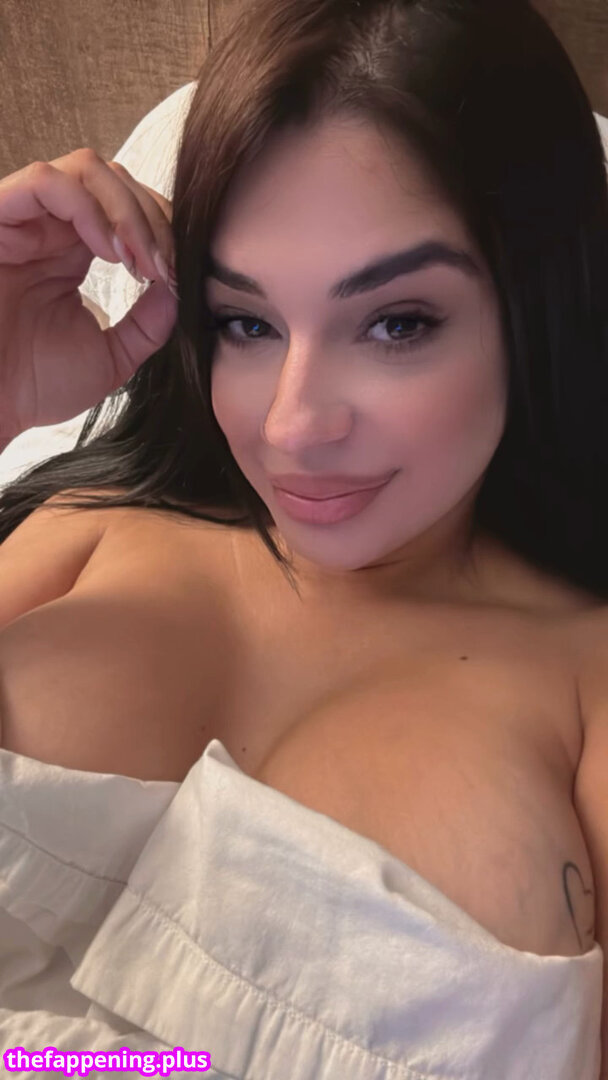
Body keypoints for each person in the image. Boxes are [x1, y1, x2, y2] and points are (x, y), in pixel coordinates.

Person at [0, 0, 607, 1076]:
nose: (290, 426)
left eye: (396, 323)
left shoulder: (586, 682)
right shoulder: (84, 533)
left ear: (537, 307)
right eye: (247, 322)